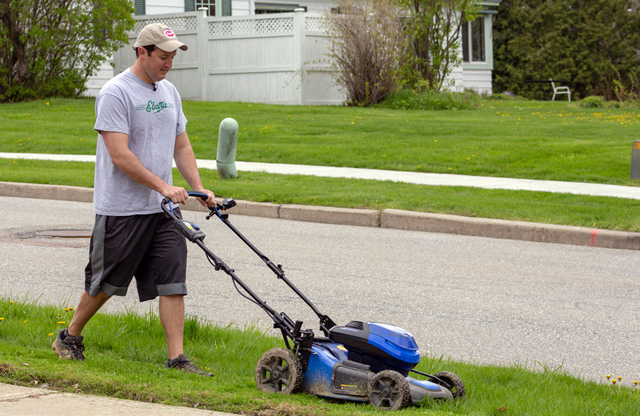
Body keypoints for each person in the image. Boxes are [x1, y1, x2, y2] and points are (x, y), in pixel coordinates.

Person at [52, 23, 216, 376]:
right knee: (106, 283)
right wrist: (163, 186)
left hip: (163, 211)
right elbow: (120, 155)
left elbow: (181, 144)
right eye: (162, 56)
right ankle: (69, 335)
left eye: (173, 56)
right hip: (122, 209)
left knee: (173, 279)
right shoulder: (116, 93)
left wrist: (199, 189)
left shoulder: (169, 92)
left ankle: (177, 359)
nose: (168, 63)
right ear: (142, 52)